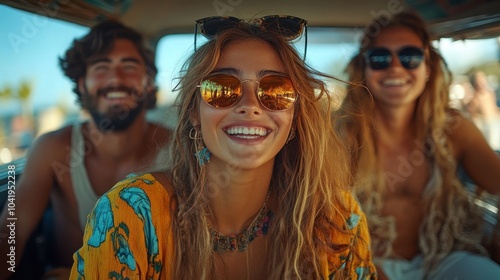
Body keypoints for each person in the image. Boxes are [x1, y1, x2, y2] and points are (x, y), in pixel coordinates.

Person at [69, 15, 377, 279]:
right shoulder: (131, 213)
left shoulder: (337, 220)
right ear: (194, 114)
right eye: (222, 88)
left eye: (276, 90)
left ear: (294, 117)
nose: (250, 105)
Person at [335, 10, 500, 279]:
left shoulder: (453, 129)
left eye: (410, 56)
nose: (395, 68)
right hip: (366, 261)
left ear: (428, 67)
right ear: (363, 69)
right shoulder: (340, 134)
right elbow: (320, 219)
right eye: (380, 58)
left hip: (443, 258)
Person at [0, 20, 171, 279]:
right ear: (81, 84)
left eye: (130, 66)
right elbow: (11, 232)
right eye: (101, 67)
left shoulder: (177, 148)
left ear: (148, 82)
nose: (116, 78)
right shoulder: (52, 149)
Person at [464, 71, 500, 150]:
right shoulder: (475, 98)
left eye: (482, 80)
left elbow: (494, 108)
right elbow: (471, 113)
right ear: (475, 83)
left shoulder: (490, 93)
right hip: (483, 126)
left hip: (493, 123)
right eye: (478, 81)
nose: (481, 83)